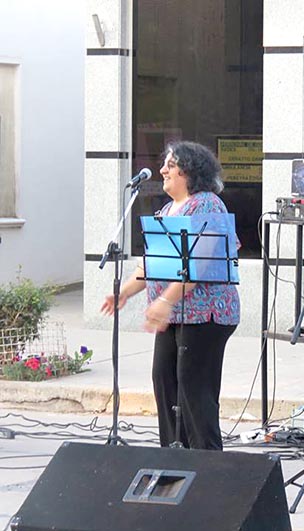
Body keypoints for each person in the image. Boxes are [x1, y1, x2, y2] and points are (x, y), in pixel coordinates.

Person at [100, 141, 240, 450]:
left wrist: (165, 300)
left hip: (206, 316)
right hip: (175, 314)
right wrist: (123, 293)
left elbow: (198, 264)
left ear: (190, 171)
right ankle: (174, 455)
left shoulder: (207, 204)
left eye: (171, 165)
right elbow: (152, 264)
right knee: (163, 380)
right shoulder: (166, 210)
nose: (163, 169)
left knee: (194, 387)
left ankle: (207, 462)